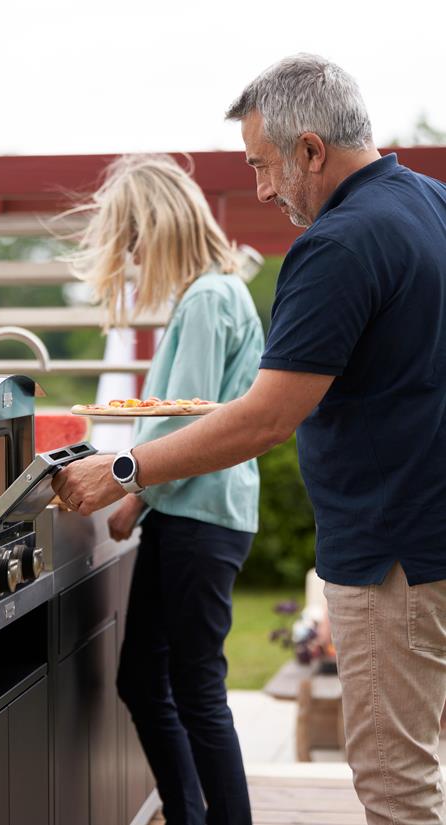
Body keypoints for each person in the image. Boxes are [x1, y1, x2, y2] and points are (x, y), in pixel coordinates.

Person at [54, 55, 446, 825]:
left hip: (394, 553)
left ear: (310, 150)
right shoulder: (433, 206)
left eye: (264, 165)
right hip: (430, 536)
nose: (262, 189)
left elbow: (266, 415)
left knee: (398, 791)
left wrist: (125, 468)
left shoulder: (338, 245)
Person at [65, 154, 264, 825]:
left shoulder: (209, 298)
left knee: (193, 687)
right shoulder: (207, 293)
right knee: (147, 682)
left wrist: (132, 495)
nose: (134, 254)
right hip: (188, 517)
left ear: (160, 223)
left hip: (199, 521)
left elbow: (193, 424)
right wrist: (139, 500)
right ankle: (188, 814)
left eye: (133, 237)